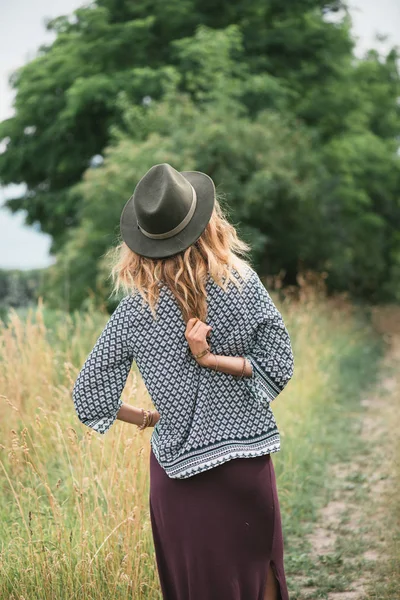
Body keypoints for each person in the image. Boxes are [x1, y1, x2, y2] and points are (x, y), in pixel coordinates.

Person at [72, 163, 295, 600]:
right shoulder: (242, 284)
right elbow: (279, 364)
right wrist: (211, 359)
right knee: (260, 577)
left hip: (178, 478)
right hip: (244, 463)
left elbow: (88, 396)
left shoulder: (137, 311)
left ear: (141, 242)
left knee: (199, 586)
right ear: (207, 222)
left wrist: (145, 417)